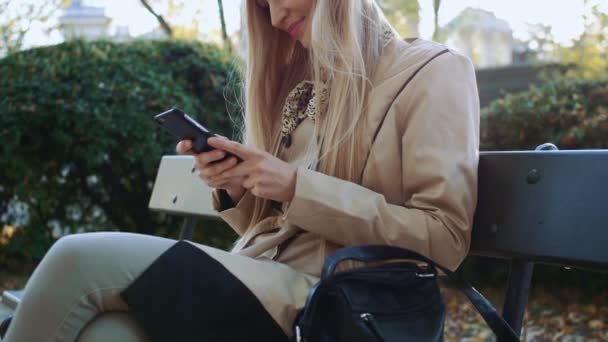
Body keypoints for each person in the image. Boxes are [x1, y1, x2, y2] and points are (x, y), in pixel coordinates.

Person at [1, 0, 480, 341]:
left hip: (336, 301)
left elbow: (445, 238)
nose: (274, 16)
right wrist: (236, 189)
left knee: (76, 258)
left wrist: (296, 186)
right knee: (110, 334)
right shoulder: (308, 91)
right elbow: (271, 229)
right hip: (262, 280)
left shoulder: (433, 71)